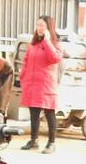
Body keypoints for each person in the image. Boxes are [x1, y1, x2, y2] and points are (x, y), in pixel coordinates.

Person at [20, 16, 63, 154]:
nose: (39, 28)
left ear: (49, 28)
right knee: (34, 113)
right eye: (37, 25)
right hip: (32, 84)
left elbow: (55, 58)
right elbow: (26, 61)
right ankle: (34, 140)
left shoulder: (55, 44)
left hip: (46, 85)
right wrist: (23, 76)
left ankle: (51, 142)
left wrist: (47, 41)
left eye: (42, 26)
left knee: (49, 113)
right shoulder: (33, 44)